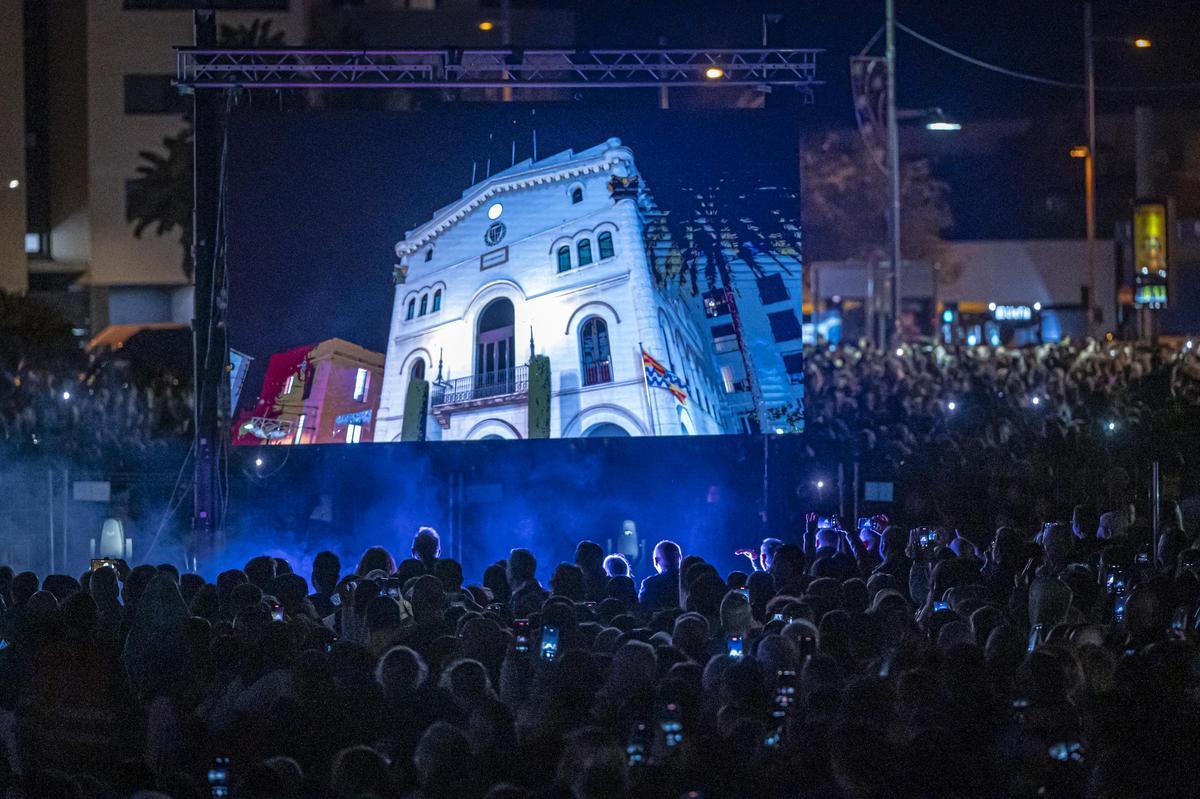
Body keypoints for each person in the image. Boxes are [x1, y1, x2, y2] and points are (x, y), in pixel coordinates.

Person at [639, 540, 682, 610]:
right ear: (680, 557)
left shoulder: (650, 584)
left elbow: (642, 611)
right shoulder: (689, 580)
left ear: (656, 561)